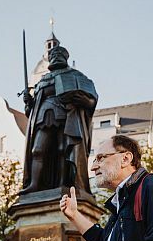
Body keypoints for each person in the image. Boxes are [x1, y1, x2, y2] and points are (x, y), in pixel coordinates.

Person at [20, 44, 97, 194]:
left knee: (63, 149)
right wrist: (28, 102)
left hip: (66, 116)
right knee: (38, 150)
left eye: (58, 54)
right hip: (43, 117)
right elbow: (31, 113)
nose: (55, 57)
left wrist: (84, 100)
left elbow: (91, 99)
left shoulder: (75, 75)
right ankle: (34, 184)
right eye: (52, 55)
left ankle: (63, 183)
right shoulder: (42, 80)